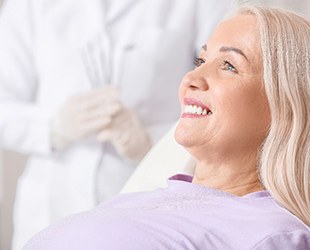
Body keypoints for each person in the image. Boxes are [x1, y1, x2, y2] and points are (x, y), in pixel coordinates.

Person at [22, 4, 310, 249]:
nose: (191, 77)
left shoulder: (273, 234)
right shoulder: (132, 201)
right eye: (200, 60)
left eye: (228, 65)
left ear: (285, 105)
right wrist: (55, 128)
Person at [0, 0, 236, 249]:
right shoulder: (28, 5)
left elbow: (225, 99)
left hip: (145, 202)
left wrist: (150, 142)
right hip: (48, 208)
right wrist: (54, 127)